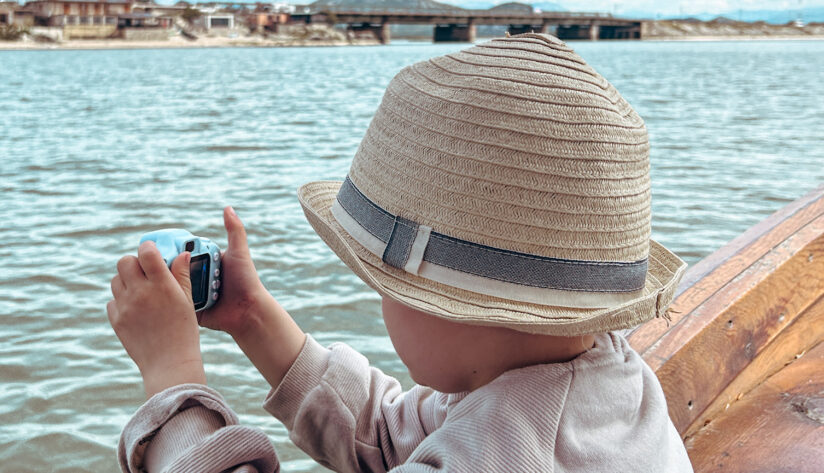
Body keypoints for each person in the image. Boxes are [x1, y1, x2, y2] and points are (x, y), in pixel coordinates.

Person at [107, 33, 694, 472]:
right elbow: (388, 437)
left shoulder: (500, 455)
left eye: (384, 286)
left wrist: (171, 380)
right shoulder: (588, 384)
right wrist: (253, 319)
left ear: (454, 307)